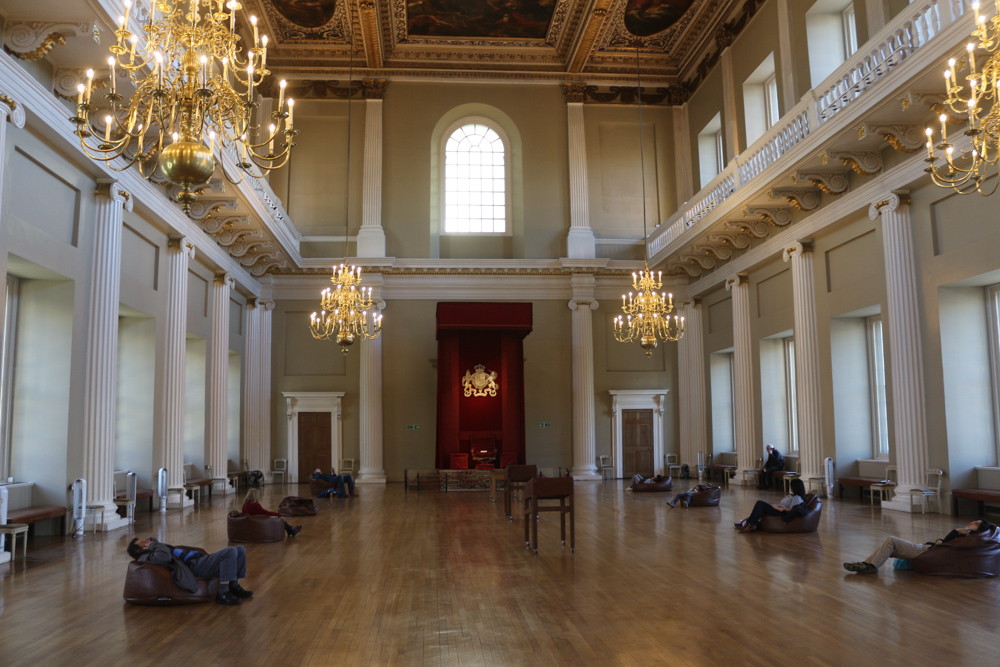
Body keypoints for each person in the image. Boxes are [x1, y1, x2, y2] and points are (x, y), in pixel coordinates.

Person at [127, 537, 253, 606]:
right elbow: (164, 557)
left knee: (240, 549)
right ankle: (223, 593)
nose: (147, 541)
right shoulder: (146, 557)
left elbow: (161, 548)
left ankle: (234, 585)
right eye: (143, 542)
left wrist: (153, 543)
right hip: (194, 566)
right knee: (230, 551)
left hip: (200, 559)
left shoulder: (154, 548)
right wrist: (153, 545)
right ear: (139, 550)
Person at [843, 519, 996, 574]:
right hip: (929, 549)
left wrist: (953, 532)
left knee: (891, 540)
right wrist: (941, 540)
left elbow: (946, 545)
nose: (971, 523)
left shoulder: (965, 537)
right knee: (888, 547)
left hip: (925, 551)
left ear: (979, 530)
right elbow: (945, 544)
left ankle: (871, 566)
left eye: (975, 524)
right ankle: (866, 564)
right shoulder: (965, 537)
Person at [735, 478, 808, 533]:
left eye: (791, 486)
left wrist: (777, 508)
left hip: (782, 513)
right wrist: (778, 505)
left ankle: (751, 525)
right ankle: (749, 523)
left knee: (761, 504)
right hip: (779, 509)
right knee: (759, 503)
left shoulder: (797, 498)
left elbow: (792, 510)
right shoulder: (792, 496)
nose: (790, 488)